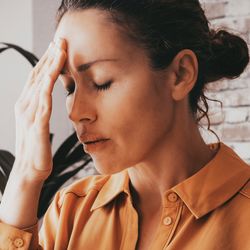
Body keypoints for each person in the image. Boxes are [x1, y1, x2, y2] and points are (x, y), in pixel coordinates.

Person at [0, 0, 249, 249]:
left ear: (180, 74)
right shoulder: (70, 211)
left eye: (101, 82)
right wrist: (25, 174)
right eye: (70, 88)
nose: (76, 113)